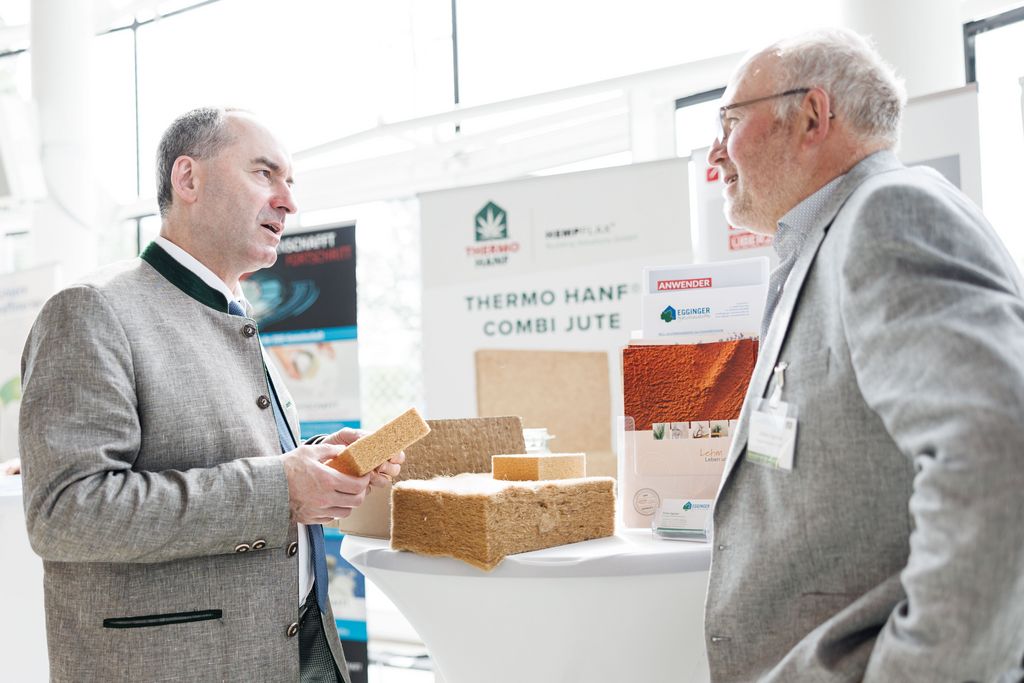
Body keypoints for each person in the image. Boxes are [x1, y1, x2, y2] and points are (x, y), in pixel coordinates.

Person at [19, 107, 402, 682]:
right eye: (264, 174)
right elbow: (64, 513)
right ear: (188, 179)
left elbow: (231, 456)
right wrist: (282, 487)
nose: (288, 202)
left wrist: (325, 458)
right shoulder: (93, 309)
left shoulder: (232, 314)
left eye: (291, 183)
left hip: (293, 648)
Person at [704, 29, 1024, 682]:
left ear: (814, 116)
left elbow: (998, 452)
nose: (715, 153)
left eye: (730, 120)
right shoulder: (826, 242)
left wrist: (922, 668)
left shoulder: (887, 214)